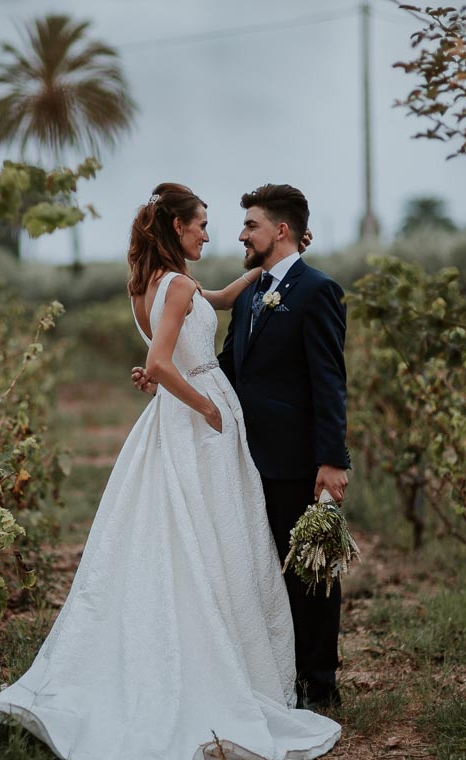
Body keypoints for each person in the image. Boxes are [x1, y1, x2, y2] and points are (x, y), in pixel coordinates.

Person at [0, 183, 340, 760]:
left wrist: (272, 268)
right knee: (214, 539)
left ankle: (243, 659)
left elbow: (214, 304)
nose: (214, 233)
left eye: (234, 225)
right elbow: (163, 363)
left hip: (182, 422)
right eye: (203, 224)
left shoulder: (150, 287)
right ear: (177, 227)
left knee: (191, 538)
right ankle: (229, 669)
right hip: (199, 419)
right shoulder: (177, 286)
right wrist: (204, 406)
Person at [134, 183, 351, 709]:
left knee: (309, 569)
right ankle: (273, 672)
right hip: (240, 451)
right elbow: (232, 364)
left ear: (280, 230)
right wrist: (177, 379)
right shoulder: (253, 293)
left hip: (296, 454)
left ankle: (319, 683)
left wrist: (331, 460)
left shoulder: (317, 290)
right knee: (258, 569)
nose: (238, 234)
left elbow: (329, 382)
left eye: (250, 224)